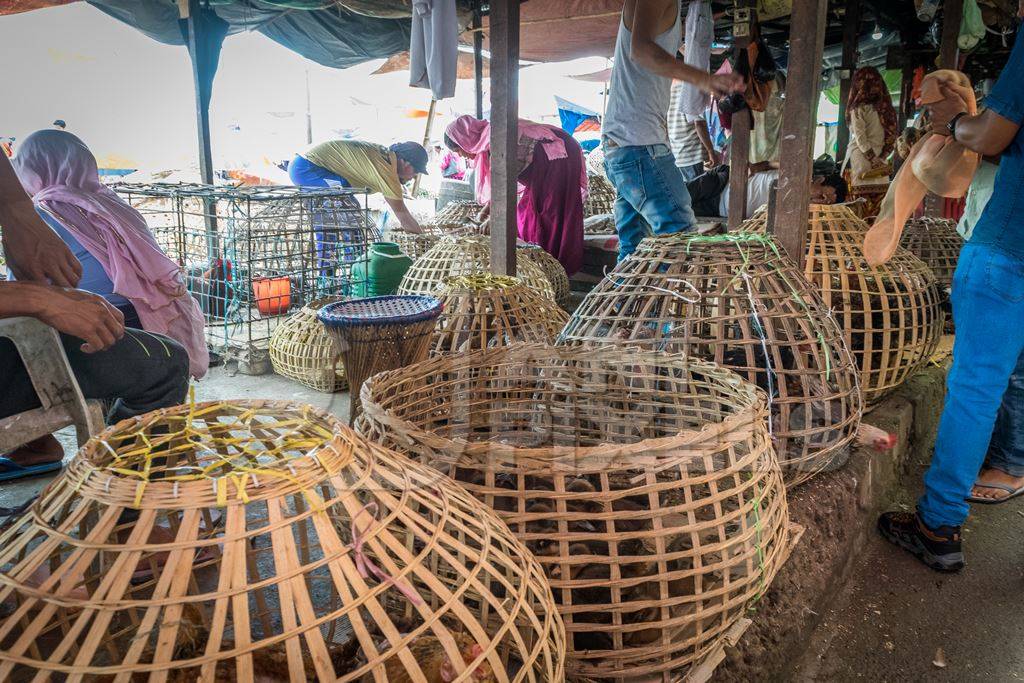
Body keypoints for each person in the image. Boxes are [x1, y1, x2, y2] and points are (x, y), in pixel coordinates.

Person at [877, 5, 1024, 572]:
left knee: (976, 388)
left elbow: (992, 133)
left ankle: (937, 527)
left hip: (1010, 248)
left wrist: (954, 125)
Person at [0, 153, 189, 481]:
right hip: (125, 311)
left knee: (154, 358)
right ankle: (126, 509)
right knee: (160, 363)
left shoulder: (49, 206)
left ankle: (41, 452)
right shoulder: (99, 202)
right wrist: (37, 299)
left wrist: (17, 209)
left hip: (99, 313)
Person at [10, 129, 208, 379]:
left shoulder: (39, 217)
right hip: (147, 318)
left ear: (32, 170)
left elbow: (20, 290)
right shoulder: (113, 205)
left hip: (88, 328)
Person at [602, 0, 744, 261]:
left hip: (625, 144)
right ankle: (666, 302)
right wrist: (705, 79)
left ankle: (627, 303)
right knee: (679, 235)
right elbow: (642, 50)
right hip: (638, 143)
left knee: (635, 248)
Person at [444, 115, 587, 276]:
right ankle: (540, 261)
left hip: (558, 155)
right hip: (546, 164)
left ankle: (553, 266)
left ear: (465, 139)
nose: (461, 155)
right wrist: (483, 215)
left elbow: (507, 186)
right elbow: (500, 187)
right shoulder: (487, 141)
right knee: (530, 213)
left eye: (458, 150)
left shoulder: (496, 138)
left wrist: (493, 219)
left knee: (549, 210)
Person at [289, 139, 428, 234]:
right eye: (415, 172)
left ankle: (345, 263)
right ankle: (333, 270)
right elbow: (404, 217)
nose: (413, 177)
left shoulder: (385, 156)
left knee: (347, 214)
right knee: (341, 214)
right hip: (307, 168)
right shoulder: (387, 171)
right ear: (406, 163)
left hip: (308, 166)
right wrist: (425, 244)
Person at [685, 162, 848, 219]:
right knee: (676, 196)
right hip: (720, 184)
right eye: (822, 194)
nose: (820, 200)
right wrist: (754, 167)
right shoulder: (796, 174)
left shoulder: (799, 213)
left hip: (717, 211)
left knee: (677, 212)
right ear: (819, 180)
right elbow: (769, 163)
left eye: (826, 203)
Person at [843, 67, 898, 218]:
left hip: (861, 161)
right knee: (879, 208)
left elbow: (860, 137)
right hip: (880, 164)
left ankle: (859, 238)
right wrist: (881, 158)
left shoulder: (858, 108)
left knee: (858, 209)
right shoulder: (887, 110)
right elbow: (892, 136)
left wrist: (871, 158)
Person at [668, 80, 719, 182]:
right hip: (692, 153)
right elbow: (699, 124)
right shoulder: (691, 86)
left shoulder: (669, 87)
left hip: (677, 153)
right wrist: (710, 151)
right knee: (699, 193)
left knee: (689, 193)